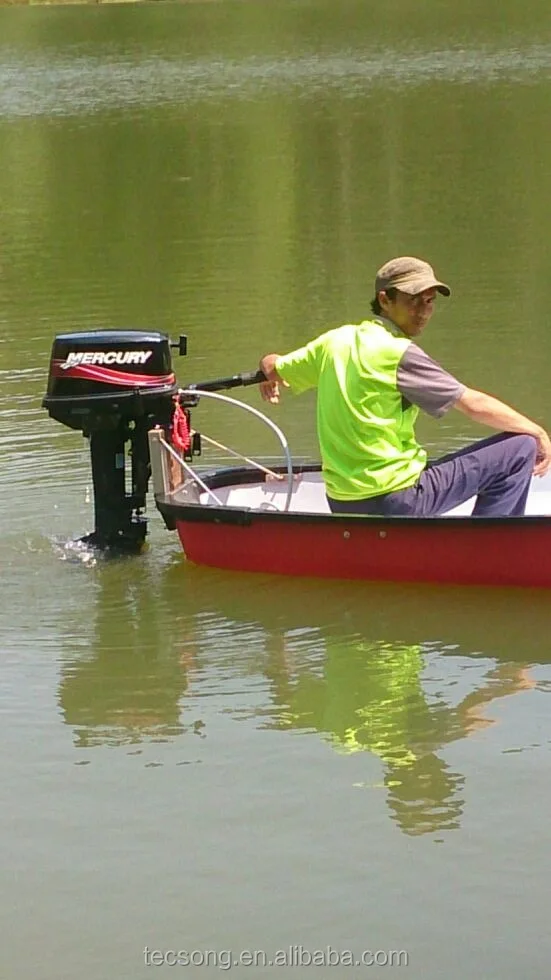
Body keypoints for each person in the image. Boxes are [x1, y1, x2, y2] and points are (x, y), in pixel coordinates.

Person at [258, 256, 551, 517]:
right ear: (384, 300)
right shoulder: (399, 352)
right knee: (521, 447)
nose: (423, 311)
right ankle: (491, 549)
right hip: (399, 500)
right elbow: (471, 404)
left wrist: (268, 366)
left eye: (429, 301)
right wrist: (537, 431)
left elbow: (275, 366)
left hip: (343, 501)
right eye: (413, 300)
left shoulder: (335, 341)